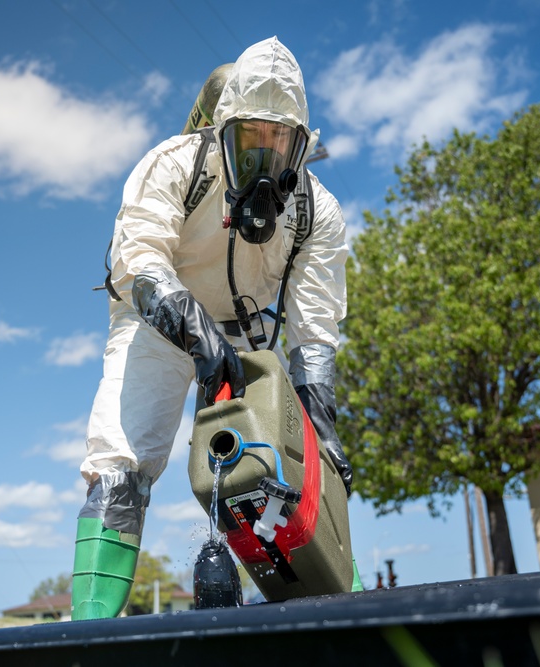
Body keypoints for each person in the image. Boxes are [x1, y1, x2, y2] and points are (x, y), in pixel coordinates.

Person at [72, 36, 351, 620]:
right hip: (158, 317)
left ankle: (321, 606)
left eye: (281, 145)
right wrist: (192, 329)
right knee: (122, 462)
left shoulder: (316, 212)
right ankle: (89, 632)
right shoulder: (174, 163)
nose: (266, 165)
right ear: (220, 133)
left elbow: (314, 330)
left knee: (283, 473)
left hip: (245, 331)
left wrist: (320, 434)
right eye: (252, 143)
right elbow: (137, 259)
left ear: (302, 149)